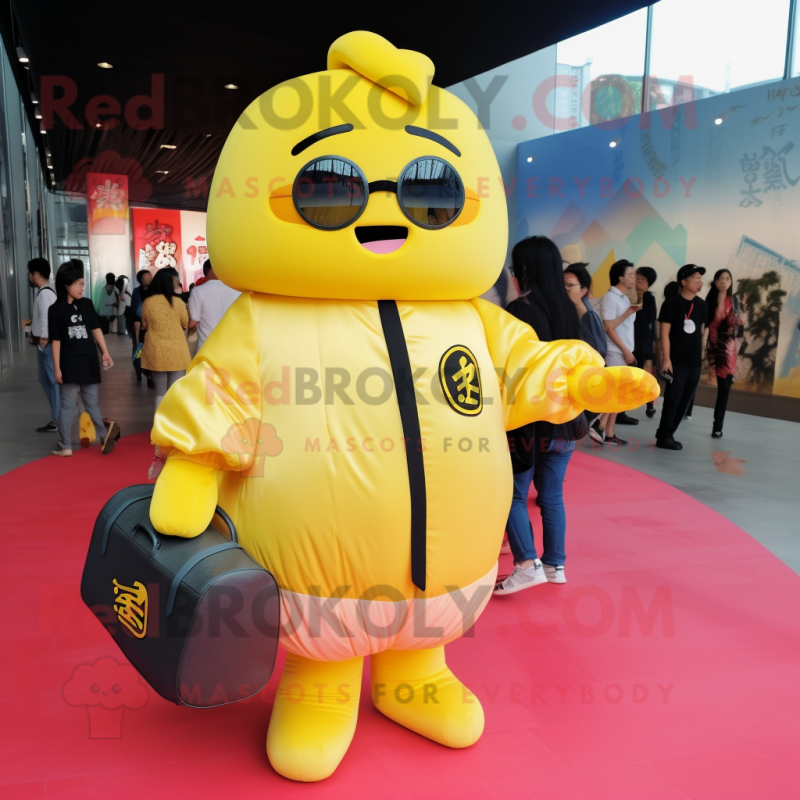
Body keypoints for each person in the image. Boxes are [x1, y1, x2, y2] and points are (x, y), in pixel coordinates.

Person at [494, 236, 585, 594]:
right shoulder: (570, 308)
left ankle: (525, 563)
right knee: (551, 495)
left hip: (530, 422)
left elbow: (512, 369)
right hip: (567, 420)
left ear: (525, 271)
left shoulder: (521, 312)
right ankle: (555, 565)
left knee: (512, 494)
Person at [48, 259, 120, 457]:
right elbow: (55, 341)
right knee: (85, 404)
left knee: (70, 406)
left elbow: (96, 329)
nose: (82, 287)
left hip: (83, 362)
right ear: (66, 286)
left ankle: (66, 445)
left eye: (82, 283)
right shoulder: (56, 309)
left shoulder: (84, 305)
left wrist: (105, 352)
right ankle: (103, 435)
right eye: (78, 284)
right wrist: (57, 368)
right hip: (77, 363)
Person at [655, 264, 708, 450]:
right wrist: (666, 359)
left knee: (685, 400)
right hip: (676, 361)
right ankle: (665, 437)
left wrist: (701, 354)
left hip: (694, 362)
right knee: (673, 399)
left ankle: (666, 433)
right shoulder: (671, 303)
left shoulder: (701, 305)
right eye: (695, 278)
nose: (700, 282)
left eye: (701, 279)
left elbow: (701, 332)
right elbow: (665, 334)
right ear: (683, 282)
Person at [593, 260, 641, 445]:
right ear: (619, 277)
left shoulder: (624, 298)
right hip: (616, 350)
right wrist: (625, 351)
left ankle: (608, 431)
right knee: (614, 392)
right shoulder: (610, 298)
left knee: (619, 394)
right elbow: (609, 327)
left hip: (624, 349)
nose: (634, 278)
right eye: (630, 274)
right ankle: (598, 424)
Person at [141, 267, 191, 411]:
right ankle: (172, 428)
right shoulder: (178, 303)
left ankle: (158, 427)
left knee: (160, 394)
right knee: (175, 394)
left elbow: (145, 324)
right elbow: (185, 323)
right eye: (176, 282)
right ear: (170, 283)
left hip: (156, 351)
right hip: (177, 352)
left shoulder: (148, 302)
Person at [706, 269, 746, 438]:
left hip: (732, 350)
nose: (724, 281)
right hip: (717, 348)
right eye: (720, 278)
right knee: (722, 388)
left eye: (727, 278)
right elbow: (712, 326)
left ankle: (718, 426)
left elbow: (740, 324)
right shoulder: (710, 301)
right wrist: (717, 347)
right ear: (715, 282)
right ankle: (716, 425)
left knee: (725, 390)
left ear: (731, 281)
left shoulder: (735, 301)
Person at [27, 258, 60, 433]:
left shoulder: (45, 293)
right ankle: (57, 417)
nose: (29, 276)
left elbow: (49, 317)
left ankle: (58, 419)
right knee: (45, 379)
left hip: (46, 345)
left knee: (53, 382)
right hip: (44, 344)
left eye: (30, 273)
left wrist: (44, 338)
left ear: (36, 274)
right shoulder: (44, 292)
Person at [187, 258, 241, 348]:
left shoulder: (198, 291)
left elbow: (193, 323)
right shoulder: (237, 290)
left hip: (209, 347)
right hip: (234, 345)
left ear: (206, 270)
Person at [633, 266, 658, 418]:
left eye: (642, 279)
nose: (638, 281)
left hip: (644, 339)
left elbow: (649, 319)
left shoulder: (649, 297)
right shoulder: (628, 294)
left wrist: (640, 302)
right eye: (637, 278)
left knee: (647, 372)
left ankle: (650, 404)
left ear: (649, 283)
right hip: (630, 338)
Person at [130, 270, 153, 386]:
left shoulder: (155, 291)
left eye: (150, 277)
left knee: (151, 351)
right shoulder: (136, 292)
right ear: (140, 280)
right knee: (138, 348)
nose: (149, 279)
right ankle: (139, 370)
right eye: (146, 278)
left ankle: (149, 375)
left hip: (152, 326)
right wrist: (136, 325)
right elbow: (134, 310)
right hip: (138, 325)